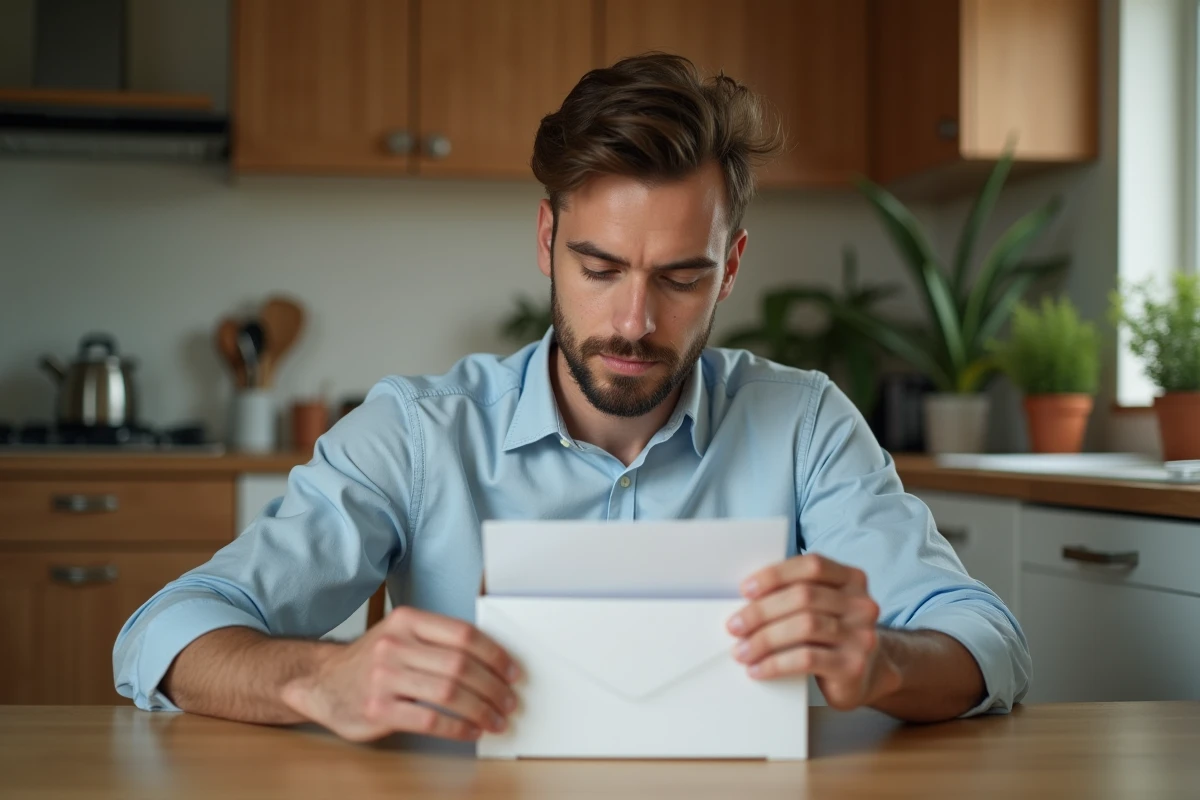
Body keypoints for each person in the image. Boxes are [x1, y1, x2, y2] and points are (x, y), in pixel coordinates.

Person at [114, 53, 1030, 743]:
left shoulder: (804, 425)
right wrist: (319, 679)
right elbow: (164, 631)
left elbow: (986, 639)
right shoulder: (418, 433)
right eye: (600, 268)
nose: (634, 322)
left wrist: (881, 663)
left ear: (730, 269)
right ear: (547, 240)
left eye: (681, 277)